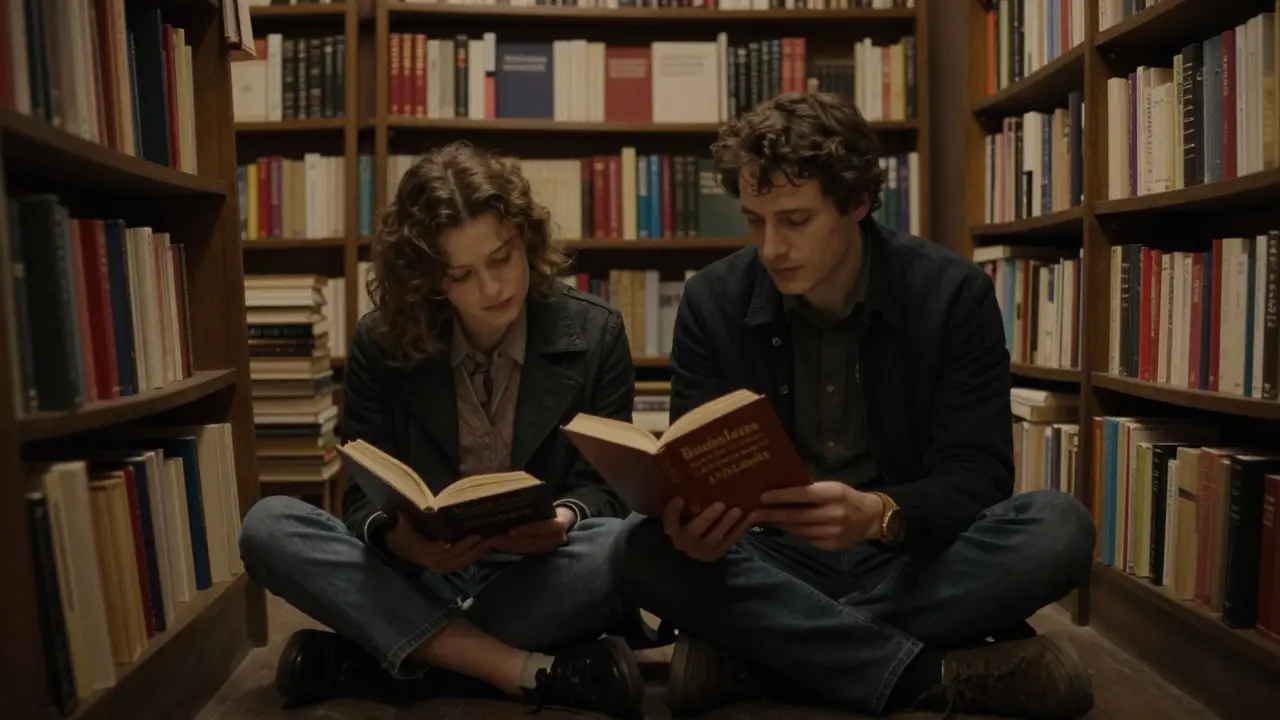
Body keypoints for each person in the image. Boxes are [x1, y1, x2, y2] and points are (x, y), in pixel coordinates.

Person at [612, 92, 1098, 719]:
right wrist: (695, 527)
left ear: (858, 202)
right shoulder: (713, 300)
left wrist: (879, 514)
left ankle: (759, 656)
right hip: (772, 554)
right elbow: (696, 473)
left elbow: (978, 475)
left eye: (796, 220)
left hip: (909, 553)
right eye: (755, 220)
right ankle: (929, 673)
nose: (771, 247)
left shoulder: (952, 294)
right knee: (635, 548)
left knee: (1059, 528)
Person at [238, 141, 646, 717]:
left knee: (629, 544)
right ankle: (522, 669)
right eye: (462, 274)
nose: (493, 288)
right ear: (430, 280)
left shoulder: (597, 333)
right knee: (268, 525)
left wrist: (562, 519)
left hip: (537, 576)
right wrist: (396, 539)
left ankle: (386, 657)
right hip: (417, 575)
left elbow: (605, 488)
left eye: (502, 258)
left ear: (526, 240)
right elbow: (360, 494)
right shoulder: (381, 341)